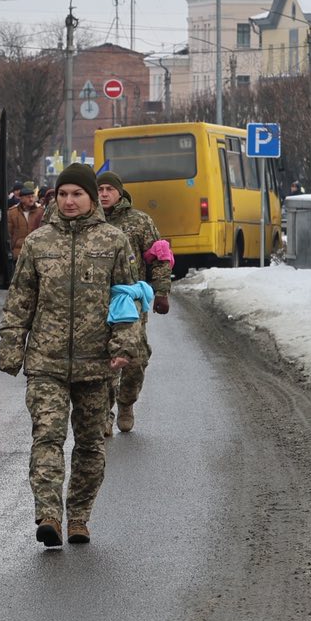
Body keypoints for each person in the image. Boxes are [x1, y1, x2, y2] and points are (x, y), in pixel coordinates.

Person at [0, 162, 145, 548]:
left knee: (90, 444)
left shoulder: (113, 242)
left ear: (92, 198)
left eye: (77, 194)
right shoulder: (38, 243)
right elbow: (20, 300)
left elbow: (126, 301)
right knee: (47, 437)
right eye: (63, 194)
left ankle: (78, 516)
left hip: (97, 365)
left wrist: (124, 348)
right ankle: (49, 516)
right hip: (46, 362)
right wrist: (12, 346)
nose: (69, 201)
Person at [98, 171, 175, 434]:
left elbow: (161, 257)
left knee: (135, 359)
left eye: (109, 189)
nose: (104, 194)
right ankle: (104, 414)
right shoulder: (89, 222)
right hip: (96, 302)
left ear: (120, 192)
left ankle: (126, 402)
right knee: (101, 360)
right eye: (99, 189)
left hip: (131, 301)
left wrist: (161, 291)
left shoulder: (139, 221)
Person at [6, 181, 43, 261]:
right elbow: (9, 233)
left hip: (36, 252)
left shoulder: (40, 212)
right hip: (18, 253)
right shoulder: (12, 213)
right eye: (28, 197)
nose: (31, 199)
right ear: (22, 199)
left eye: (32, 197)